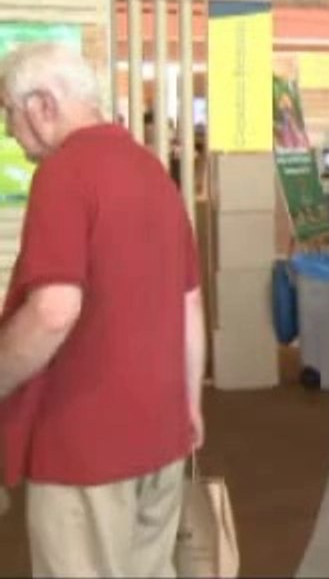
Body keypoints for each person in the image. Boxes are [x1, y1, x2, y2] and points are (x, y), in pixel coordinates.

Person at [0, 43, 204, 576]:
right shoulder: (152, 170)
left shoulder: (64, 173)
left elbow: (52, 311)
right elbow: (189, 304)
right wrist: (191, 407)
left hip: (84, 447)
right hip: (162, 433)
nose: (7, 131)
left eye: (8, 113)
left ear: (43, 105)